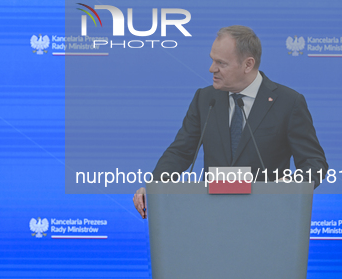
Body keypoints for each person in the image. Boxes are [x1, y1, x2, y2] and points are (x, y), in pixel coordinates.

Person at [133, 25, 328, 218]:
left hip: (267, 217)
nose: (212, 69)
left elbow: (314, 163)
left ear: (248, 65)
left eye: (221, 63)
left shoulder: (288, 102)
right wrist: (155, 187)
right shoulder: (205, 98)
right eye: (212, 60)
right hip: (210, 216)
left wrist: (290, 185)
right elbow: (180, 151)